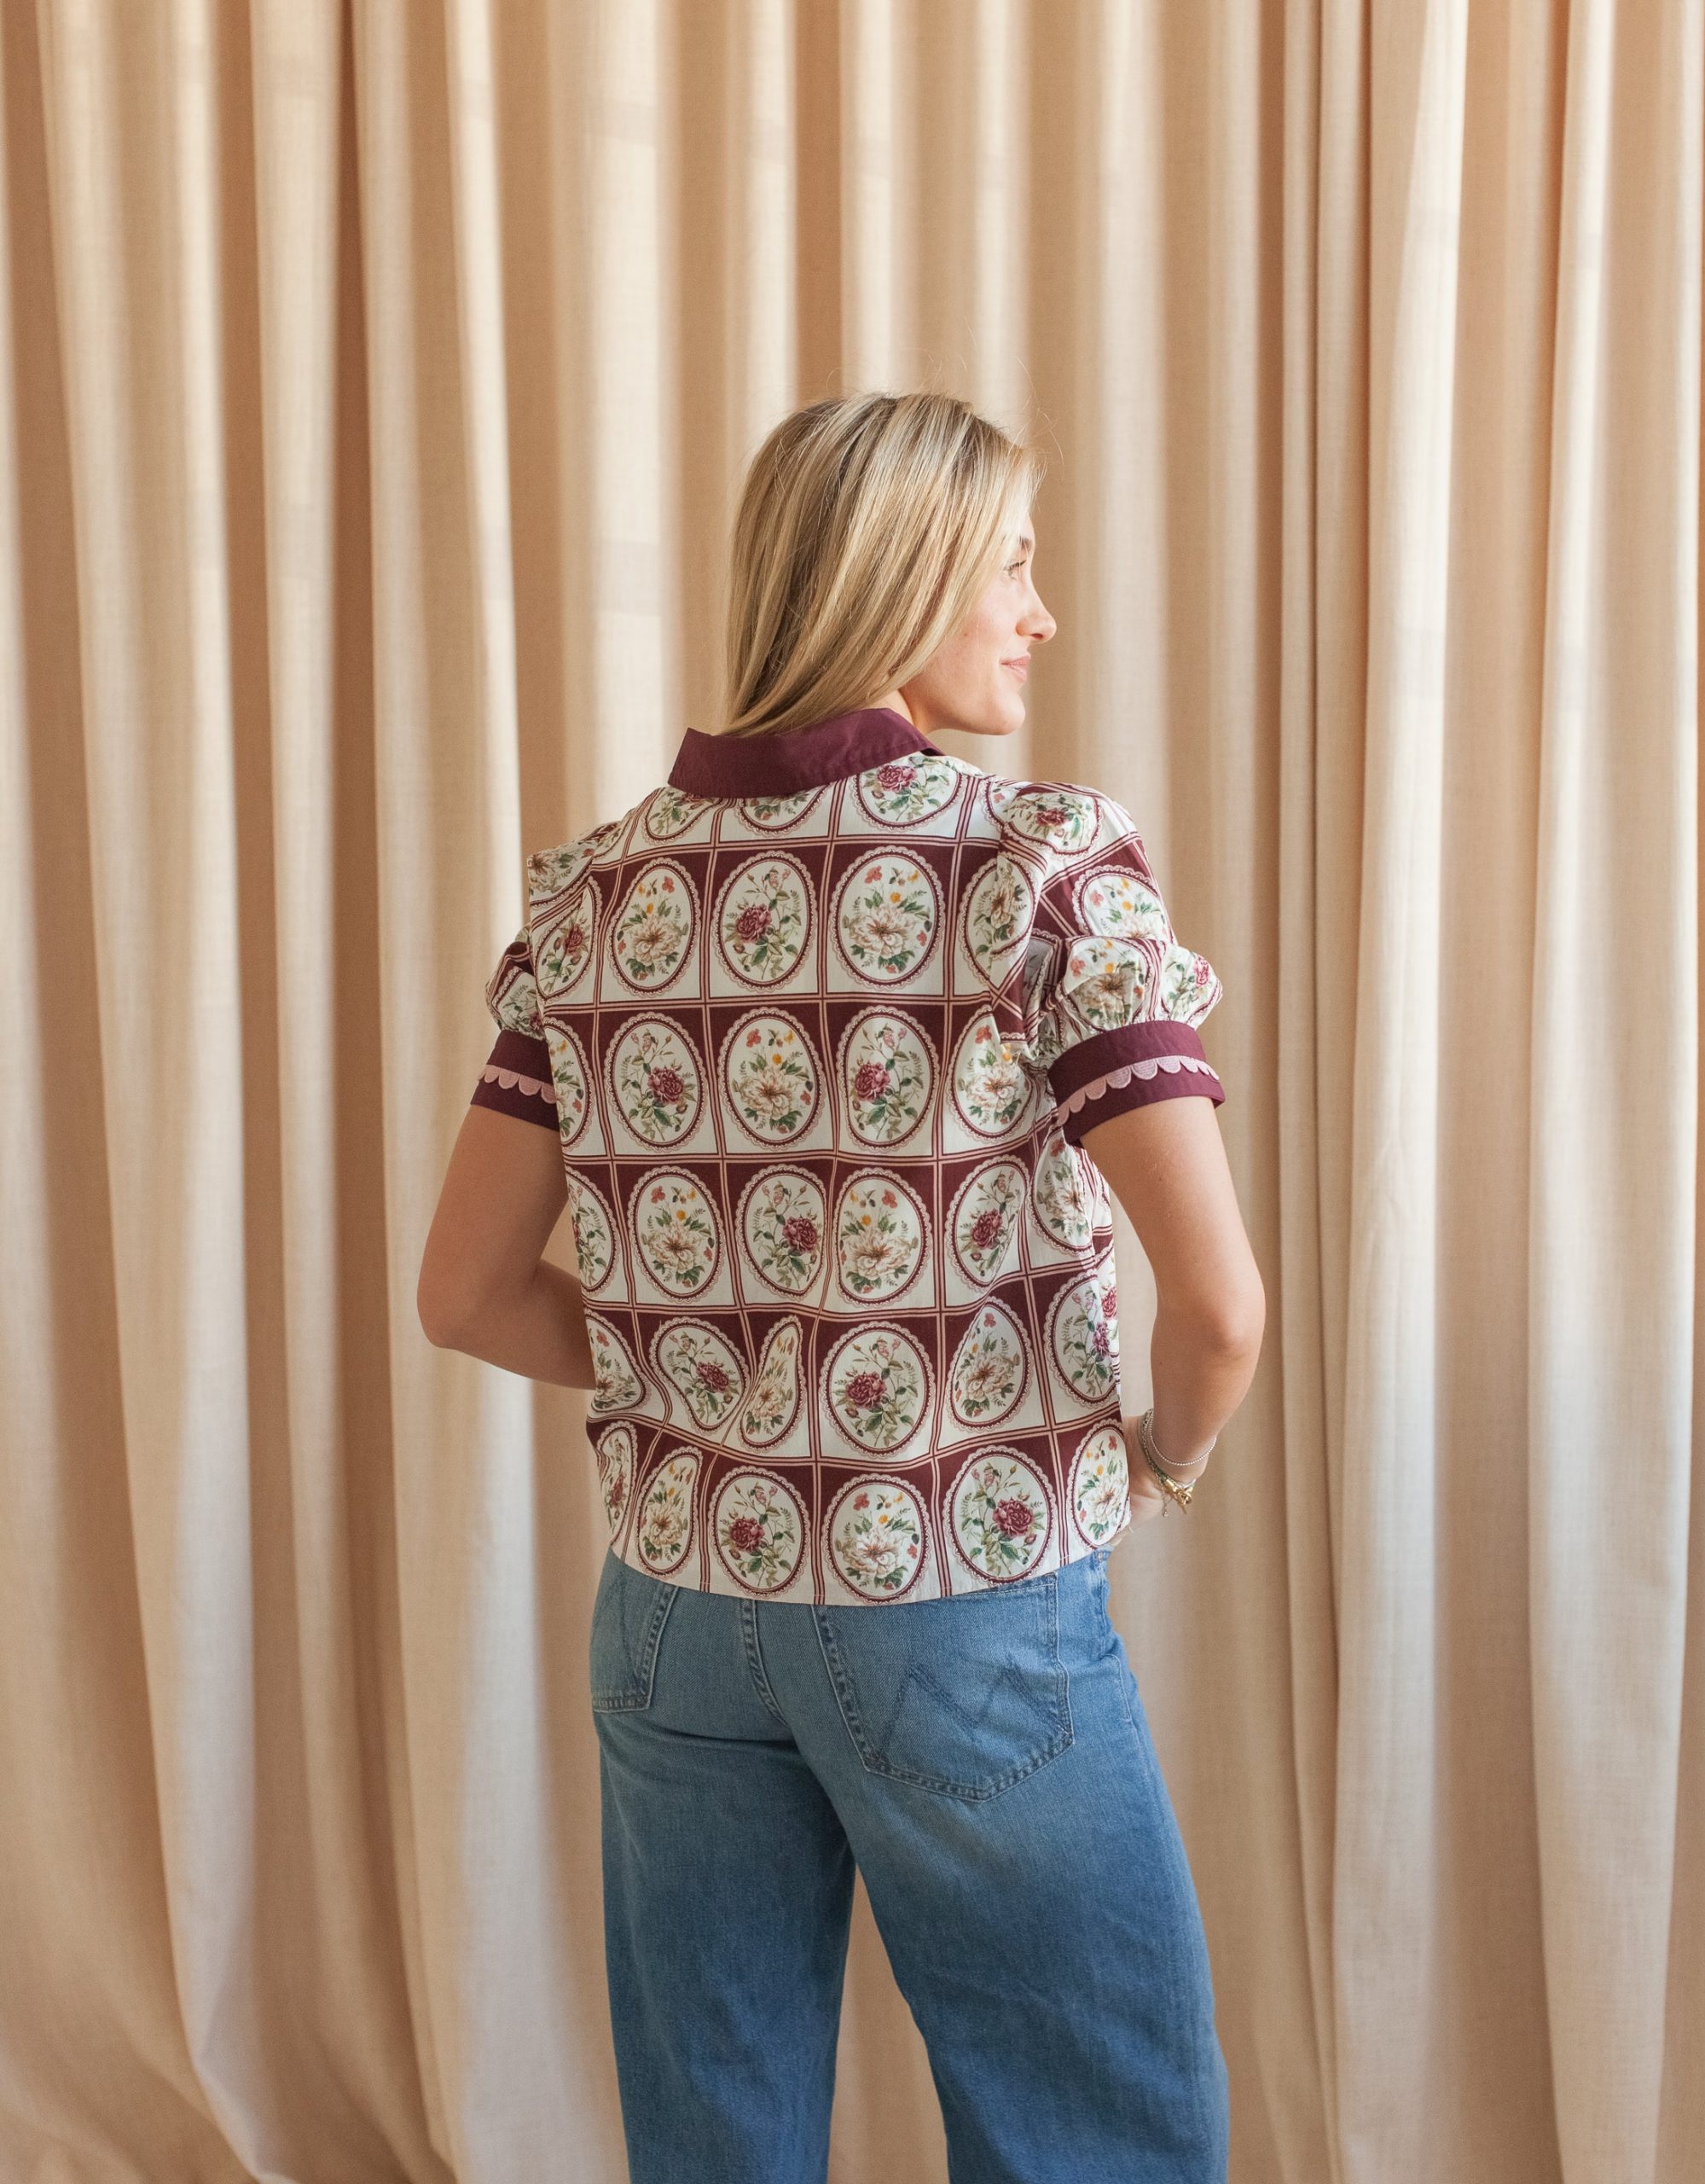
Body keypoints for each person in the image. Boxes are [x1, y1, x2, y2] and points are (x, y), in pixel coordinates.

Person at [418, 390, 1266, 2183]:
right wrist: (1162, 1459)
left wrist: (702, 1382)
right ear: (907, 575)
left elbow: (464, 1291)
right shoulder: (1033, 864)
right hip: (957, 1594)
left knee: (715, 2138)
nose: (1041, 612)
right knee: (1094, 2132)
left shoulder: (597, 894)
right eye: (1012, 566)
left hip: (674, 1612)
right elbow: (1220, 1309)